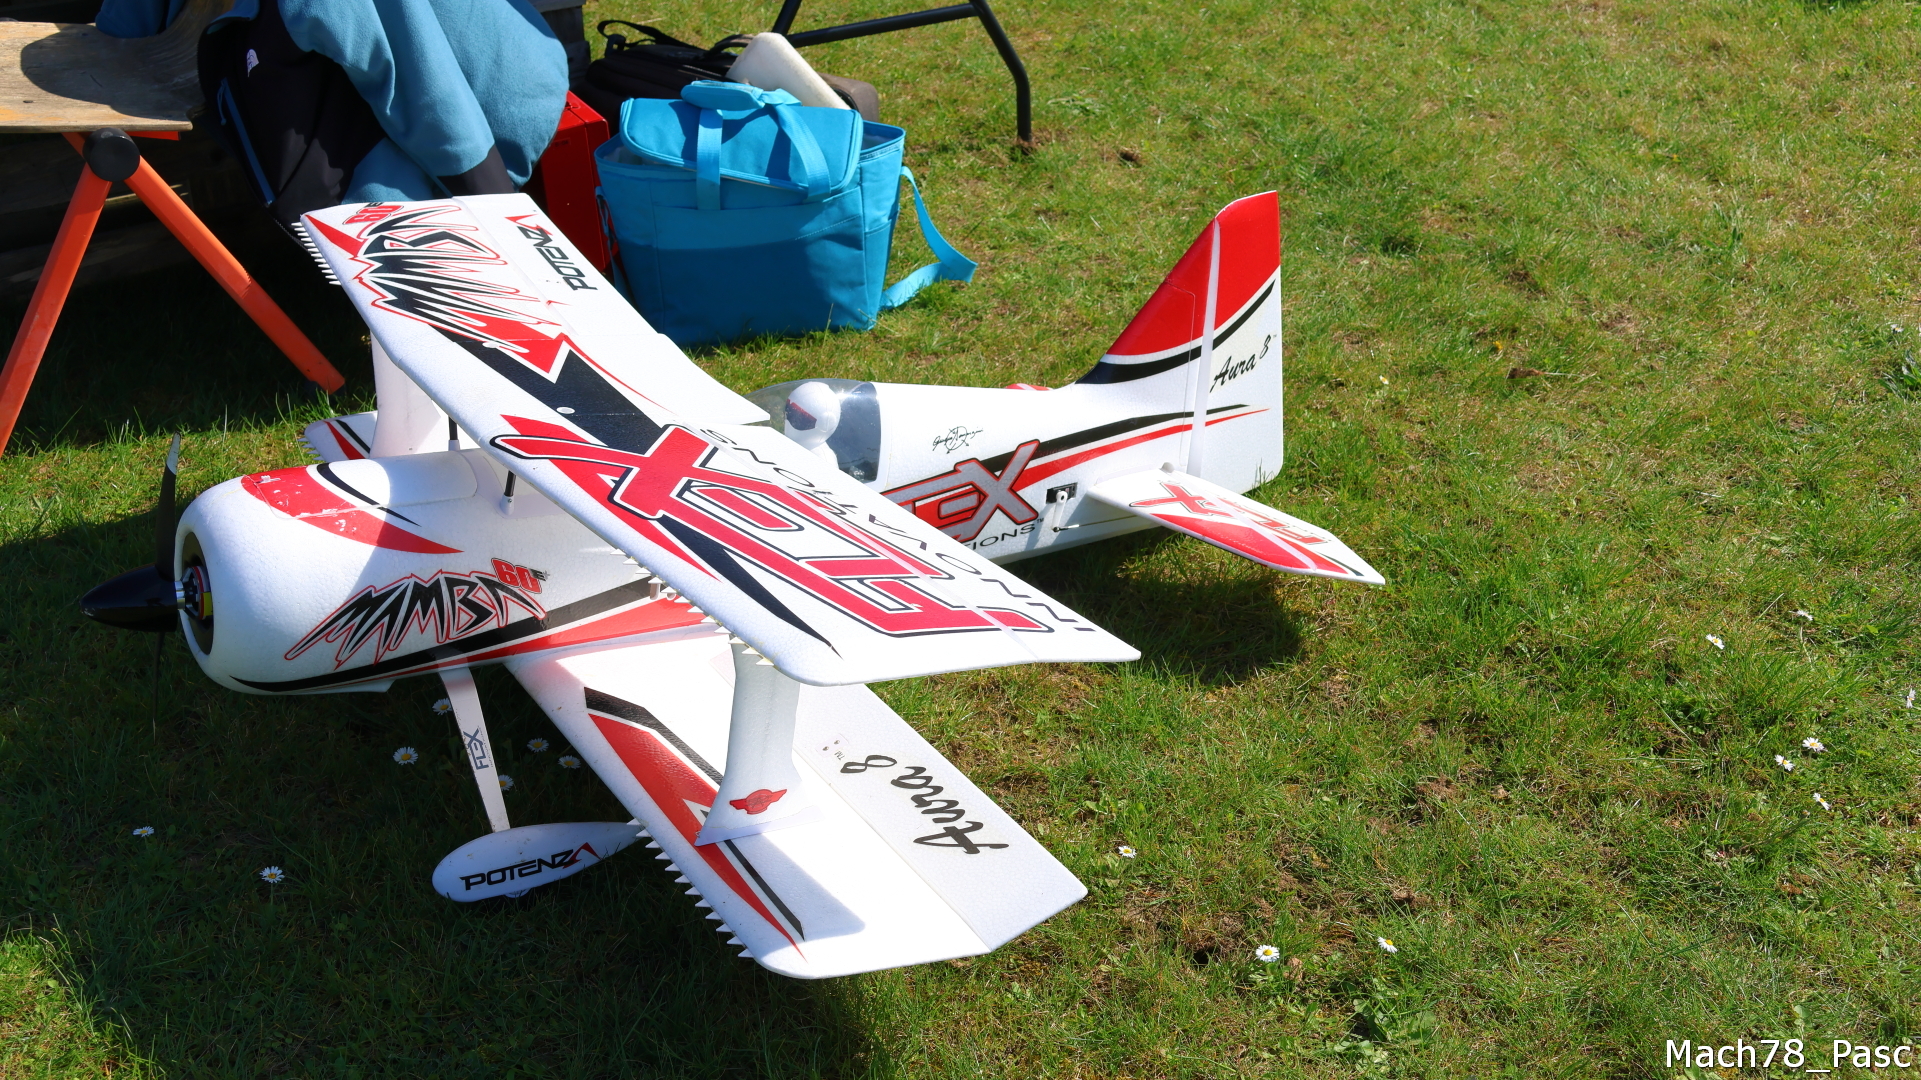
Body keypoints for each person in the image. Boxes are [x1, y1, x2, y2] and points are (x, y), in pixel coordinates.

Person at [96, 0, 568, 224]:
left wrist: (491, 200)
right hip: (440, 97)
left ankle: (421, 241)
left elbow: (420, 72)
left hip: (493, 97)